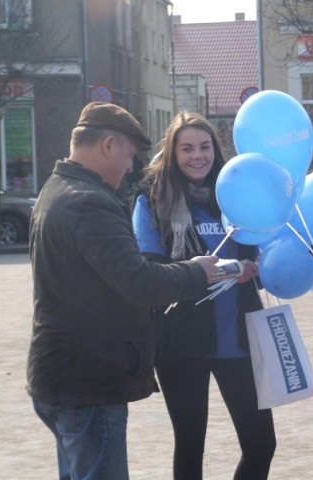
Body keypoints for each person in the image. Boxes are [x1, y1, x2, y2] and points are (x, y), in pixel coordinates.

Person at [28, 102, 220, 480]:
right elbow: (140, 283)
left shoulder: (56, 190)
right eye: (130, 155)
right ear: (109, 144)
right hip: (88, 382)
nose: (131, 167)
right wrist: (196, 272)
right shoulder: (90, 203)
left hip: (63, 377)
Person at [130, 111, 276, 480]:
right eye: (187, 148)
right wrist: (230, 268)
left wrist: (264, 264)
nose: (198, 156)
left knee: (261, 443)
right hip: (181, 341)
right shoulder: (153, 201)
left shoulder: (236, 196)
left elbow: (262, 253)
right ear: (173, 154)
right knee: (191, 444)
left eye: (205, 146)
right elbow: (151, 270)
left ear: (216, 150)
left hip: (240, 339)